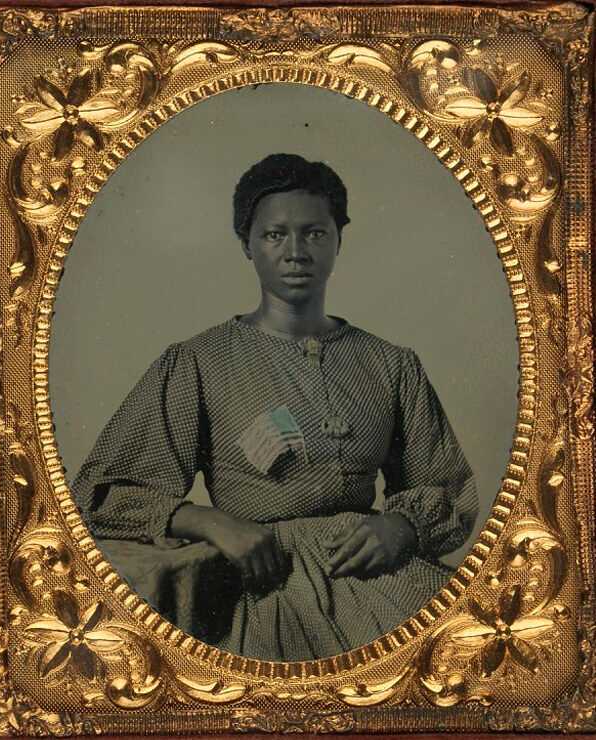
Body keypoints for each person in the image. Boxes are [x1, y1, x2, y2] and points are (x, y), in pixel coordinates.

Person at [73, 153, 478, 662]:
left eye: (314, 233)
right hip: (256, 586)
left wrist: (401, 526)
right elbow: (105, 493)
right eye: (274, 235)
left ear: (337, 241)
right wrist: (210, 521)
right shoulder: (198, 361)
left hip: (377, 578)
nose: (295, 253)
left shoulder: (391, 365)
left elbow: (447, 486)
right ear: (247, 244)